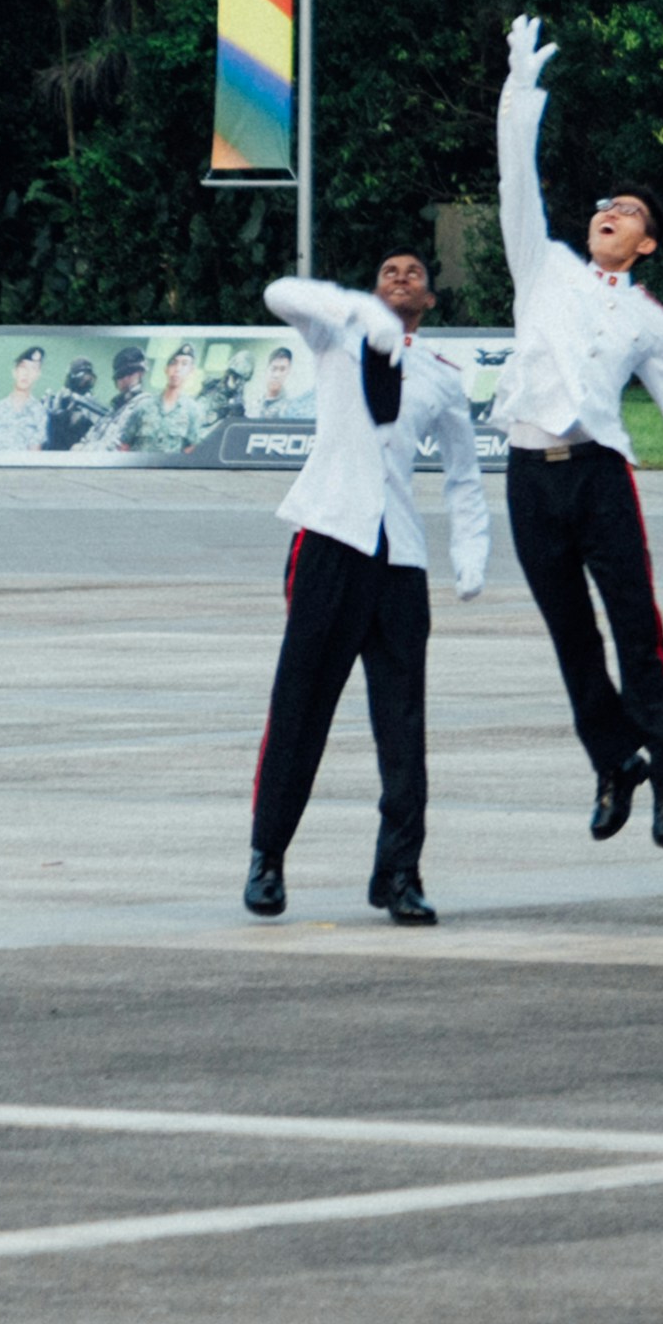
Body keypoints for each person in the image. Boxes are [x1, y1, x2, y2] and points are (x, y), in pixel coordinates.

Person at [479, 21, 663, 852]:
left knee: (635, 627)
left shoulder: (650, 318)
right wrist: (520, 92)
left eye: (631, 212)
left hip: (602, 476)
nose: (612, 213)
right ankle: (614, 762)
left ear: (647, 243)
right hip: (529, 474)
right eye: (607, 205)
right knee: (571, 633)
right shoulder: (544, 266)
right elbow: (515, 183)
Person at [246, 250, 486, 924]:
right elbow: (280, 291)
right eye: (388, 272)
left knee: (402, 721)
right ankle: (268, 856)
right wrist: (359, 309)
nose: (401, 277)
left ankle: (400, 871)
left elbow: (464, 474)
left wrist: (471, 551)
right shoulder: (338, 337)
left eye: (414, 274)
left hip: (400, 557)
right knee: (300, 704)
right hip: (330, 539)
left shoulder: (440, 375)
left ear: (431, 302)